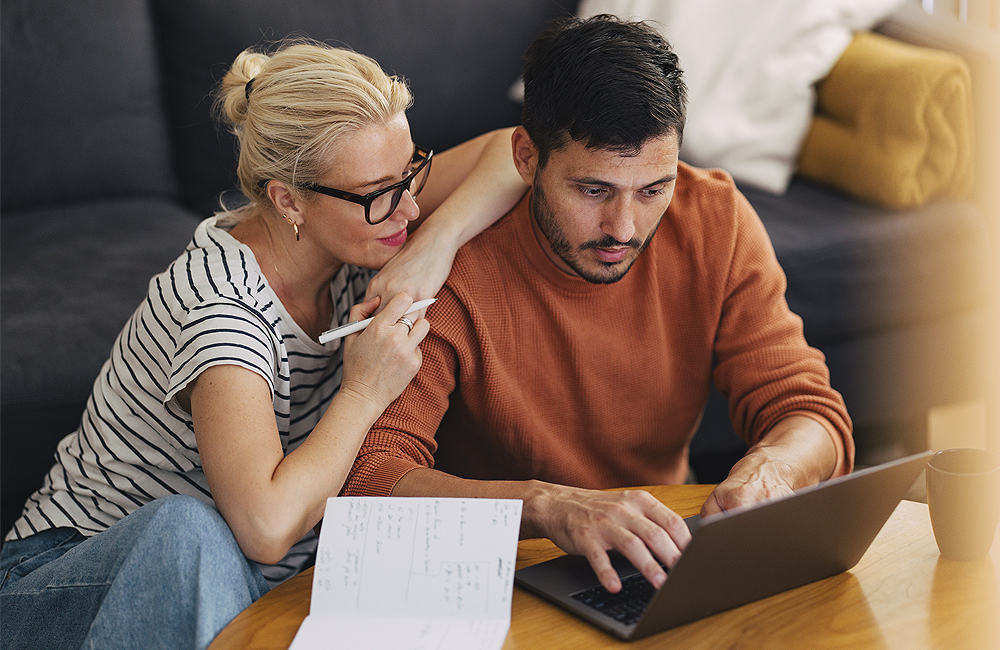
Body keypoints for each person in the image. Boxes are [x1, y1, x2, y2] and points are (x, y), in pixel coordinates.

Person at [0, 40, 526, 650]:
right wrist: (363, 388)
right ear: (287, 199)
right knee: (187, 531)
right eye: (381, 190)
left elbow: (511, 152)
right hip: (60, 586)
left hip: (242, 590)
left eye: (412, 171)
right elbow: (266, 530)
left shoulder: (366, 226)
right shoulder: (221, 308)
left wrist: (435, 246)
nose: (408, 207)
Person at [342, 15, 854, 595]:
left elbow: (810, 412)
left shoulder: (716, 220)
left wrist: (772, 471)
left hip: (659, 555)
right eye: (594, 190)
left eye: (653, 189)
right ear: (527, 159)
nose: (624, 228)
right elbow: (371, 477)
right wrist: (545, 506)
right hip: (500, 571)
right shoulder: (453, 268)